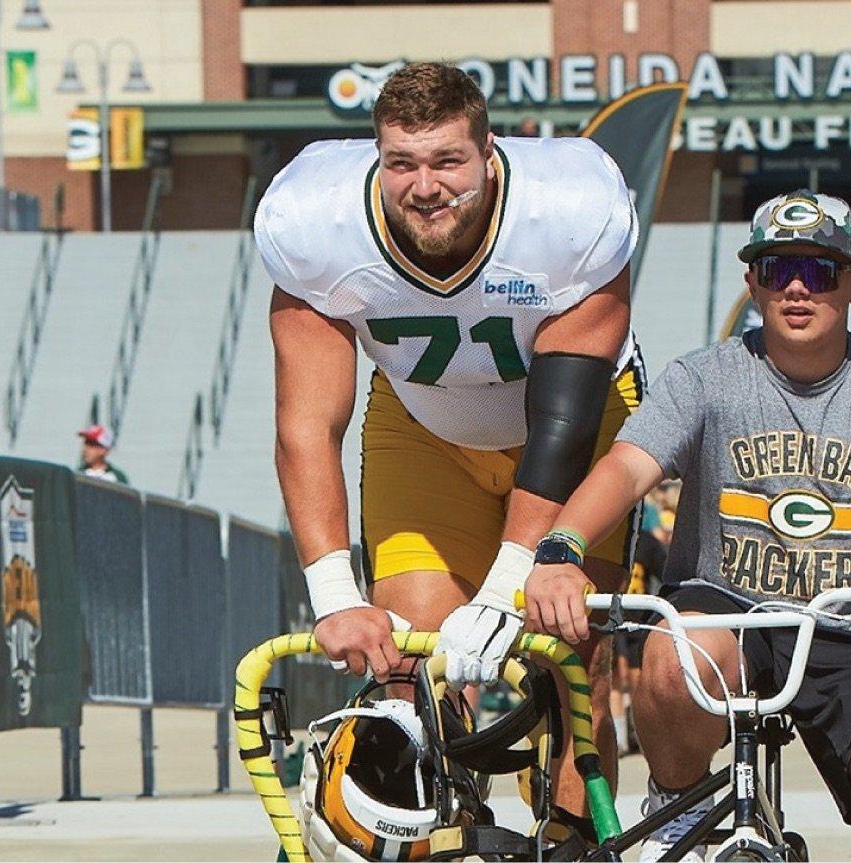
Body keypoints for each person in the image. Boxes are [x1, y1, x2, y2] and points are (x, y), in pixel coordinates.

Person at [521, 189, 851, 861]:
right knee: (670, 656)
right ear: (750, 281)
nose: (794, 287)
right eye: (775, 268)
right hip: (727, 604)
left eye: (817, 271)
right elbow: (627, 467)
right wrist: (560, 546)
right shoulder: (706, 374)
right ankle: (678, 800)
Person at [259, 62, 640, 835]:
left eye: (446, 161)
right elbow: (305, 423)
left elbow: (563, 423)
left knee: (575, 660)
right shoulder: (313, 220)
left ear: (489, 153)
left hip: (576, 431)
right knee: (410, 671)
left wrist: (507, 586)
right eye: (401, 162)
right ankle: (439, 837)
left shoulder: (570, 206)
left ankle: (569, 841)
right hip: (423, 430)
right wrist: (334, 595)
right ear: (376, 158)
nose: (424, 186)